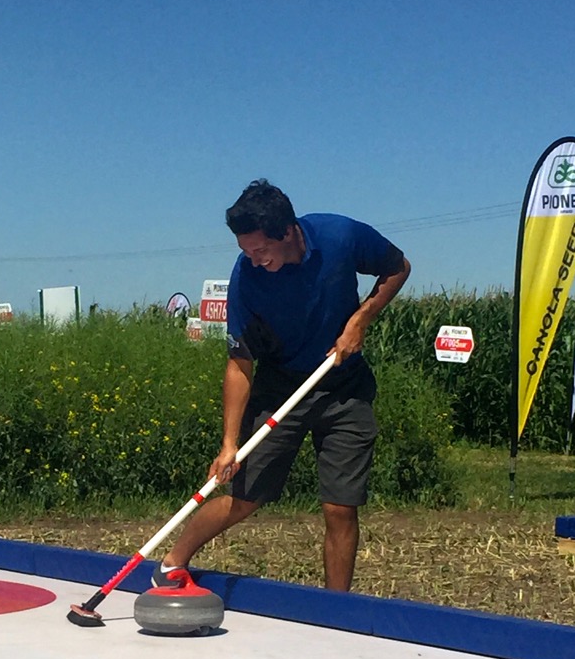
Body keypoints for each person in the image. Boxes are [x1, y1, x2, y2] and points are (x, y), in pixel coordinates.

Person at [153, 179, 410, 592]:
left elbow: (398, 267)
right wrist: (229, 443)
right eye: (245, 251)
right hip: (280, 389)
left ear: (288, 231)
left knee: (340, 507)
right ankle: (172, 561)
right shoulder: (247, 280)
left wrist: (360, 320)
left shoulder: (340, 236)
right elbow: (239, 362)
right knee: (245, 497)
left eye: (260, 251)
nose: (253, 260)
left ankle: (335, 609)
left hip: (344, 385)